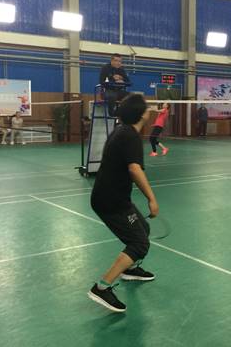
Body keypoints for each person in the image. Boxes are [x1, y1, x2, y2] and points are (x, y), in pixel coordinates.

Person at [88, 93, 159, 313]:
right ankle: (102, 287)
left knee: (143, 228)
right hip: (111, 201)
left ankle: (130, 269)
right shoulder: (130, 136)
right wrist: (152, 199)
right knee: (139, 243)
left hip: (113, 197)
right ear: (140, 114)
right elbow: (134, 169)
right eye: (146, 107)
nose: (149, 110)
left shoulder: (122, 130)